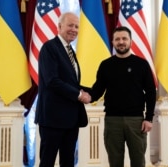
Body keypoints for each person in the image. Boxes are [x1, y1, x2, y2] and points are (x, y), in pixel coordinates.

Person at [90, 26, 157, 167]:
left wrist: (149, 118)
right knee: (115, 162)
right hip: (112, 121)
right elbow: (96, 91)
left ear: (130, 41)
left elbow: (151, 93)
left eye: (124, 38)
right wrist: (79, 92)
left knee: (138, 162)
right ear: (113, 42)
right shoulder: (106, 65)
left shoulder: (142, 64)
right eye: (117, 39)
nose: (121, 42)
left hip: (137, 121)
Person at [35, 12, 91, 167]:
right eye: (70, 25)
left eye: (77, 26)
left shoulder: (70, 50)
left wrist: (95, 91)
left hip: (70, 120)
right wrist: (79, 95)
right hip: (52, 119)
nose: (74, 29)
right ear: (59, 26)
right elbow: (52, 81)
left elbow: (71, 82)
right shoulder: (49, 48)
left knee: (68, 162)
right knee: (47, 161)